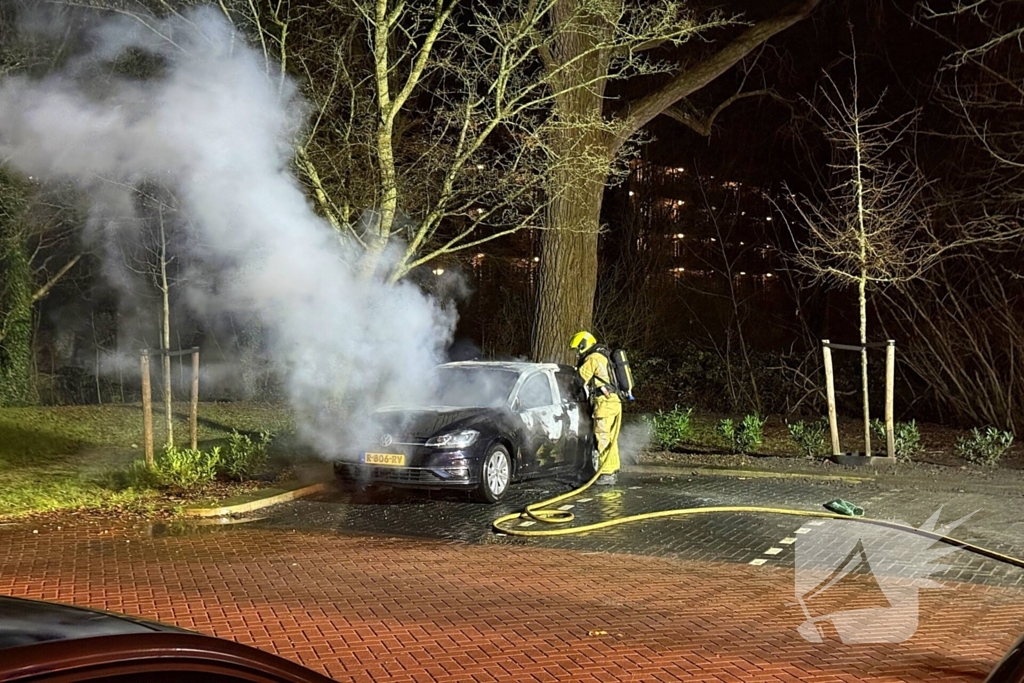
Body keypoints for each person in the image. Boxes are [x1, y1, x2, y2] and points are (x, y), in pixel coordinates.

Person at [569, 331, 621, 485]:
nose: (578, 352)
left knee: (602, 436)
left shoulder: (593, 358)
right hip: (614, 401)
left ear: (584, 344)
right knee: (611, 437)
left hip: (604, 404)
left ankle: (606, 474)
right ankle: (613, 468)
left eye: (579, 348)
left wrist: (570, 391)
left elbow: (580, 380)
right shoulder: (604, 356)